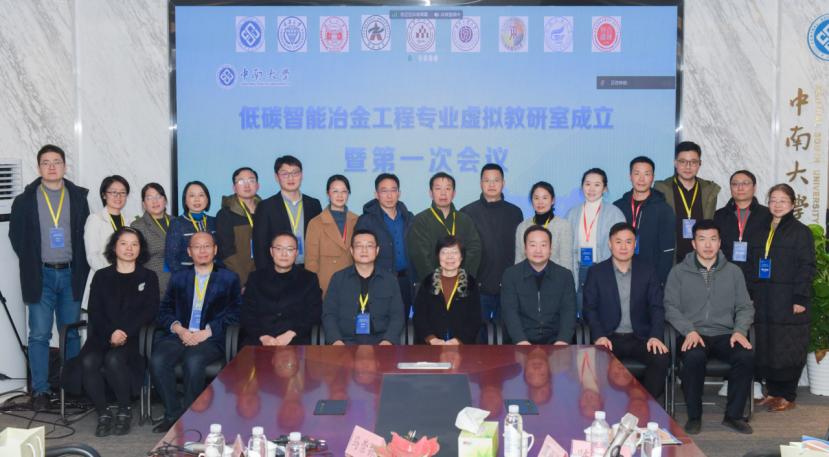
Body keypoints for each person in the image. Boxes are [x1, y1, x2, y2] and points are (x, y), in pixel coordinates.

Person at [9, 145, 90, 410]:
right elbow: (16, 237)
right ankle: (41, 391)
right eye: (46, 162)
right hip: (40, 275)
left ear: (65, 166)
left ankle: (73, 389)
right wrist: (33, 261)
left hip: (71, 274)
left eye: (57, 162)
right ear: (39, 167)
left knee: (71, 334)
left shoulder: (78, 197)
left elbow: (84, 236)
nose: (52, 167)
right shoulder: (24, 200)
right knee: (39, 335)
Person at [61, 227, 159, 436]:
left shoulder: (148, 277)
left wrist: (124, 332)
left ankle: (124, 410)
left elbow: (149, 312)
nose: (129, 248)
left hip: (133, 338)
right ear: (114, 247)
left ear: (140, 248)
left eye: (134, 244)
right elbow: (95, 311)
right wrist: (111, 334)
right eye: (124, 243)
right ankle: (103, 413)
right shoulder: (101, 276)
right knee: (89, 361)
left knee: (114, 359)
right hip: (102, 335)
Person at [664, 219, 754, 435]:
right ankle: (694, 416)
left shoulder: (733, 272)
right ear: (693, 243)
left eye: (713, 239)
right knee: (693, 357)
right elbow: (670, 307)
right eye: (702, 239)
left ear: (720, 242)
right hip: (693, 333)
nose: (707, 245)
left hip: (725, 334)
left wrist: (740, 331)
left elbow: (745, 306)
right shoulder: (678, 272)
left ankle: (733, 416)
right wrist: (688, 330)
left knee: (745, 356)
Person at [151, 232, 241, 433]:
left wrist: (207, 332)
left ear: (215, 250)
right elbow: (164, 311)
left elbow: (236, 313)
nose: (202, 251)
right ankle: (172, 414)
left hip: (211, 337)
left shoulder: (229, 278)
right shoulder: (179, 278)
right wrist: (179, 329)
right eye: (197, 247)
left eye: (207, 246)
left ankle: (191, 417)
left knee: (193, 360)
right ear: (189, 251)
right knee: (158, 360)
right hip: (180, 334)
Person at [748, 184, 816, 412]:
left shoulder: (801, 232)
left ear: (793, 204)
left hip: (788, 299)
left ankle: (788, 395)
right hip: (764, 298)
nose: (777, 205)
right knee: (767, 345)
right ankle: (773, 393)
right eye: (773, 200)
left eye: (783, 200)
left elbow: (806, 267)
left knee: (788, 345)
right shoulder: (760, 230)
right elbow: (751, 264)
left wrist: (800, 298)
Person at [582, 222, 669, 399]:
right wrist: (599, 336)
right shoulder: (596, 272)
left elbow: (657, 307)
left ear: (635, 244)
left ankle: (646, 405)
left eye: (628, 242)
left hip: (640, 337)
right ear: (610, 244)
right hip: (609, 337)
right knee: (595, 360)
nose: (623, 247)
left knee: (660, 358)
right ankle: (608, 407)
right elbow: (589, 309)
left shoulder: (647, 271)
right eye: (618, 242)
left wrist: (655, 336)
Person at [461, 163, 523, 323]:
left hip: (508, 287)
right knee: (476, 334)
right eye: (487, 180)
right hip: (477, 288)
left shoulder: (515, 212)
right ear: (480, 183)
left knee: (506, 334)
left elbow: (520, 250)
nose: (491, 184)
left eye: (496, 180)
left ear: (503, 183)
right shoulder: (467, 212)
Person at [322, 229, 404, 345]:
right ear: (351, 250)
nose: (364, 250)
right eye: (359, 246)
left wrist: (388, 341)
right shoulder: (338, 279)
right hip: (345, 342)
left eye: (369, 246)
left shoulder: (390, 280)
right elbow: (329, 314)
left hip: (381, 342)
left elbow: (397, 315)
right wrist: (336, 341)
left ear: (377, 250)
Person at [241, 232, 322, 346]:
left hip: (296, 341)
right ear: (271, 252)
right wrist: (263, 337)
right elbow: (247, 313)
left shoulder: (309, 279)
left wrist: (292, 334)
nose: (284, 254)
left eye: (290, 249)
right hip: (259, 341)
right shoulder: (255, 278)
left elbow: (313, 313)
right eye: (279, 249)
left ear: (296, 253)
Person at [501, 225, 577, 345]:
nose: (538, 250)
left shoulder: (564, 276)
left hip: (555, 342)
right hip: (520, 342)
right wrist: (521, 341)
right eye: (532, 245)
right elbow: (510, 313)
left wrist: (562, 341)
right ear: (525, 249)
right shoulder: (511, 275)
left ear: (550, 249)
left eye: (543, 245)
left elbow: (568, 312)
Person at [565, 168, 626, 311]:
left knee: (603, 310)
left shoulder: (615, 214)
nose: (591, 189)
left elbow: (622, 245)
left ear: (604, 188)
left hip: (604, 269)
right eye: (587, 184)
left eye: (597, 185)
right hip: (579, 268)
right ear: (582, 187)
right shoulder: (572, 213)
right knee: (581, 309)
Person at [354, 173, 415, 313]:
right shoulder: (366, 220)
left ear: (399, 193)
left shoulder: (409, 218)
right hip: (377, 280)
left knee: (403, 320)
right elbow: (359, 253)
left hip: (405, 281)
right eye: (384, 191)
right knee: (379, 320)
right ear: (376, 194)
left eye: (393, 190)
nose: (389, 196)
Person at [407, 172, 482, 283]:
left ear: (454, 193)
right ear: (431, 193)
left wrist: (462, 279)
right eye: (438, 189)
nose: (443, 193)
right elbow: (420, 256)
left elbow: (474, 249)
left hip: (461, 284)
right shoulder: (420, 220)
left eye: (447, 189)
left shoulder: (465, 219)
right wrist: (436, 283)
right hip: (431, 285)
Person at [654, 141, 721, 263]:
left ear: (700, 164)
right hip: (671, 261)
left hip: (701, 261)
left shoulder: (709, 191)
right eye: (683, 161)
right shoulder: (662, 190)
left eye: (693, 162)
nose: (688, 167)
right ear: (675, 163)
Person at [252, 155, 322, 269]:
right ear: (276, 177)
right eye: (285, 174)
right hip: (278, 270)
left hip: (309, 269)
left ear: (302, 175)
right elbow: (260, 247)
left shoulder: (314, 204)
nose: (291, 178)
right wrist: (266, 275)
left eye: (295, 173)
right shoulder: (265, 207)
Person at [614, 156, 676, 284]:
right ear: (630, 176)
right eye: (637, 173)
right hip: (620, 276)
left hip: (651, 278)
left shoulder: (664, 209)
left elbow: (668, 251)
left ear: (653, 177)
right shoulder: (618, 207)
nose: (641, 179)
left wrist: (658, 281)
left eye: (646, 174)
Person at [413, 236, 482, 345]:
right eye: (444, 252)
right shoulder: (428, 282)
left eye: (454, 252)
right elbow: (419, 316)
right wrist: (431, 339)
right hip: (431, 347)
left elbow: (475, 319)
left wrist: (459, 340)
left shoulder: (470, 284)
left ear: (461, 257)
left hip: (463, 346)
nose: (449, 257)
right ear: (438, 256)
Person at [83, 176, 133, 308]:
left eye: (122, 192)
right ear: (104, 195)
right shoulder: (95, 219)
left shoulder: (129, 222)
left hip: (127, 282)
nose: (118, 196)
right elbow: (92, 255)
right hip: (104, 281)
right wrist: (112, 276)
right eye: (113, 192)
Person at [305, 175, 359, 296]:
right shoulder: (316, 223)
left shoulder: (357, 220)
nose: (340, 195)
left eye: (344, 191)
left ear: (349, 194)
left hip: (352, 281)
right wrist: (313, 288)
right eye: (335, 191)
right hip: (326, 283)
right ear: (327, 193)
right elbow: (311, 261)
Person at [713, 170, 771, 279]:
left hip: (758, 278)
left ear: (754, 187)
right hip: (725, 276)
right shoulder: (718, 216)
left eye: (745, 183)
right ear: (730, 188)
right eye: (735, 184)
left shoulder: (768, 215)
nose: (740, 188)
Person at [216, 167, 262, 287]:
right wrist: (243, 281)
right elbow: (227, 253)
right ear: (234, 187)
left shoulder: (266, 211)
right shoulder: (225, 214)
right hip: (238, 281)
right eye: (241, 181)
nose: (247, 185)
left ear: (257, 185)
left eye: (251, 180)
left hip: (264, 279)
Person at [515, 181, 573, 271]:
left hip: (555, 277)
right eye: (536, 198)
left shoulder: (563, 226)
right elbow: (519, 260)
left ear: (553, 200)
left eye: (545, 198)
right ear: (531, 201)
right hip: (528, 278)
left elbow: (566, 262)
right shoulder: (522, 227)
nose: (540, 202)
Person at [165, 181, 218, 273]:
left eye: (201, 195)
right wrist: (186, 278)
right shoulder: (176, 223)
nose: (197, 199)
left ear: (207, 199)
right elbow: (171, 259)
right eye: (192, 195)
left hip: (214, 276)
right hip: (186, 277)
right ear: (185, 200)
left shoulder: (214, 221)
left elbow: (220, 254)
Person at [131, 183, 172, 298]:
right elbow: (136, 260)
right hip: (153, 285)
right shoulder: (138, 226)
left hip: (178, 283)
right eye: (149, 198)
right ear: (144, 204)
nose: (155, 201)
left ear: (165, 200)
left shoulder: (176, 222)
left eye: (158, 196)